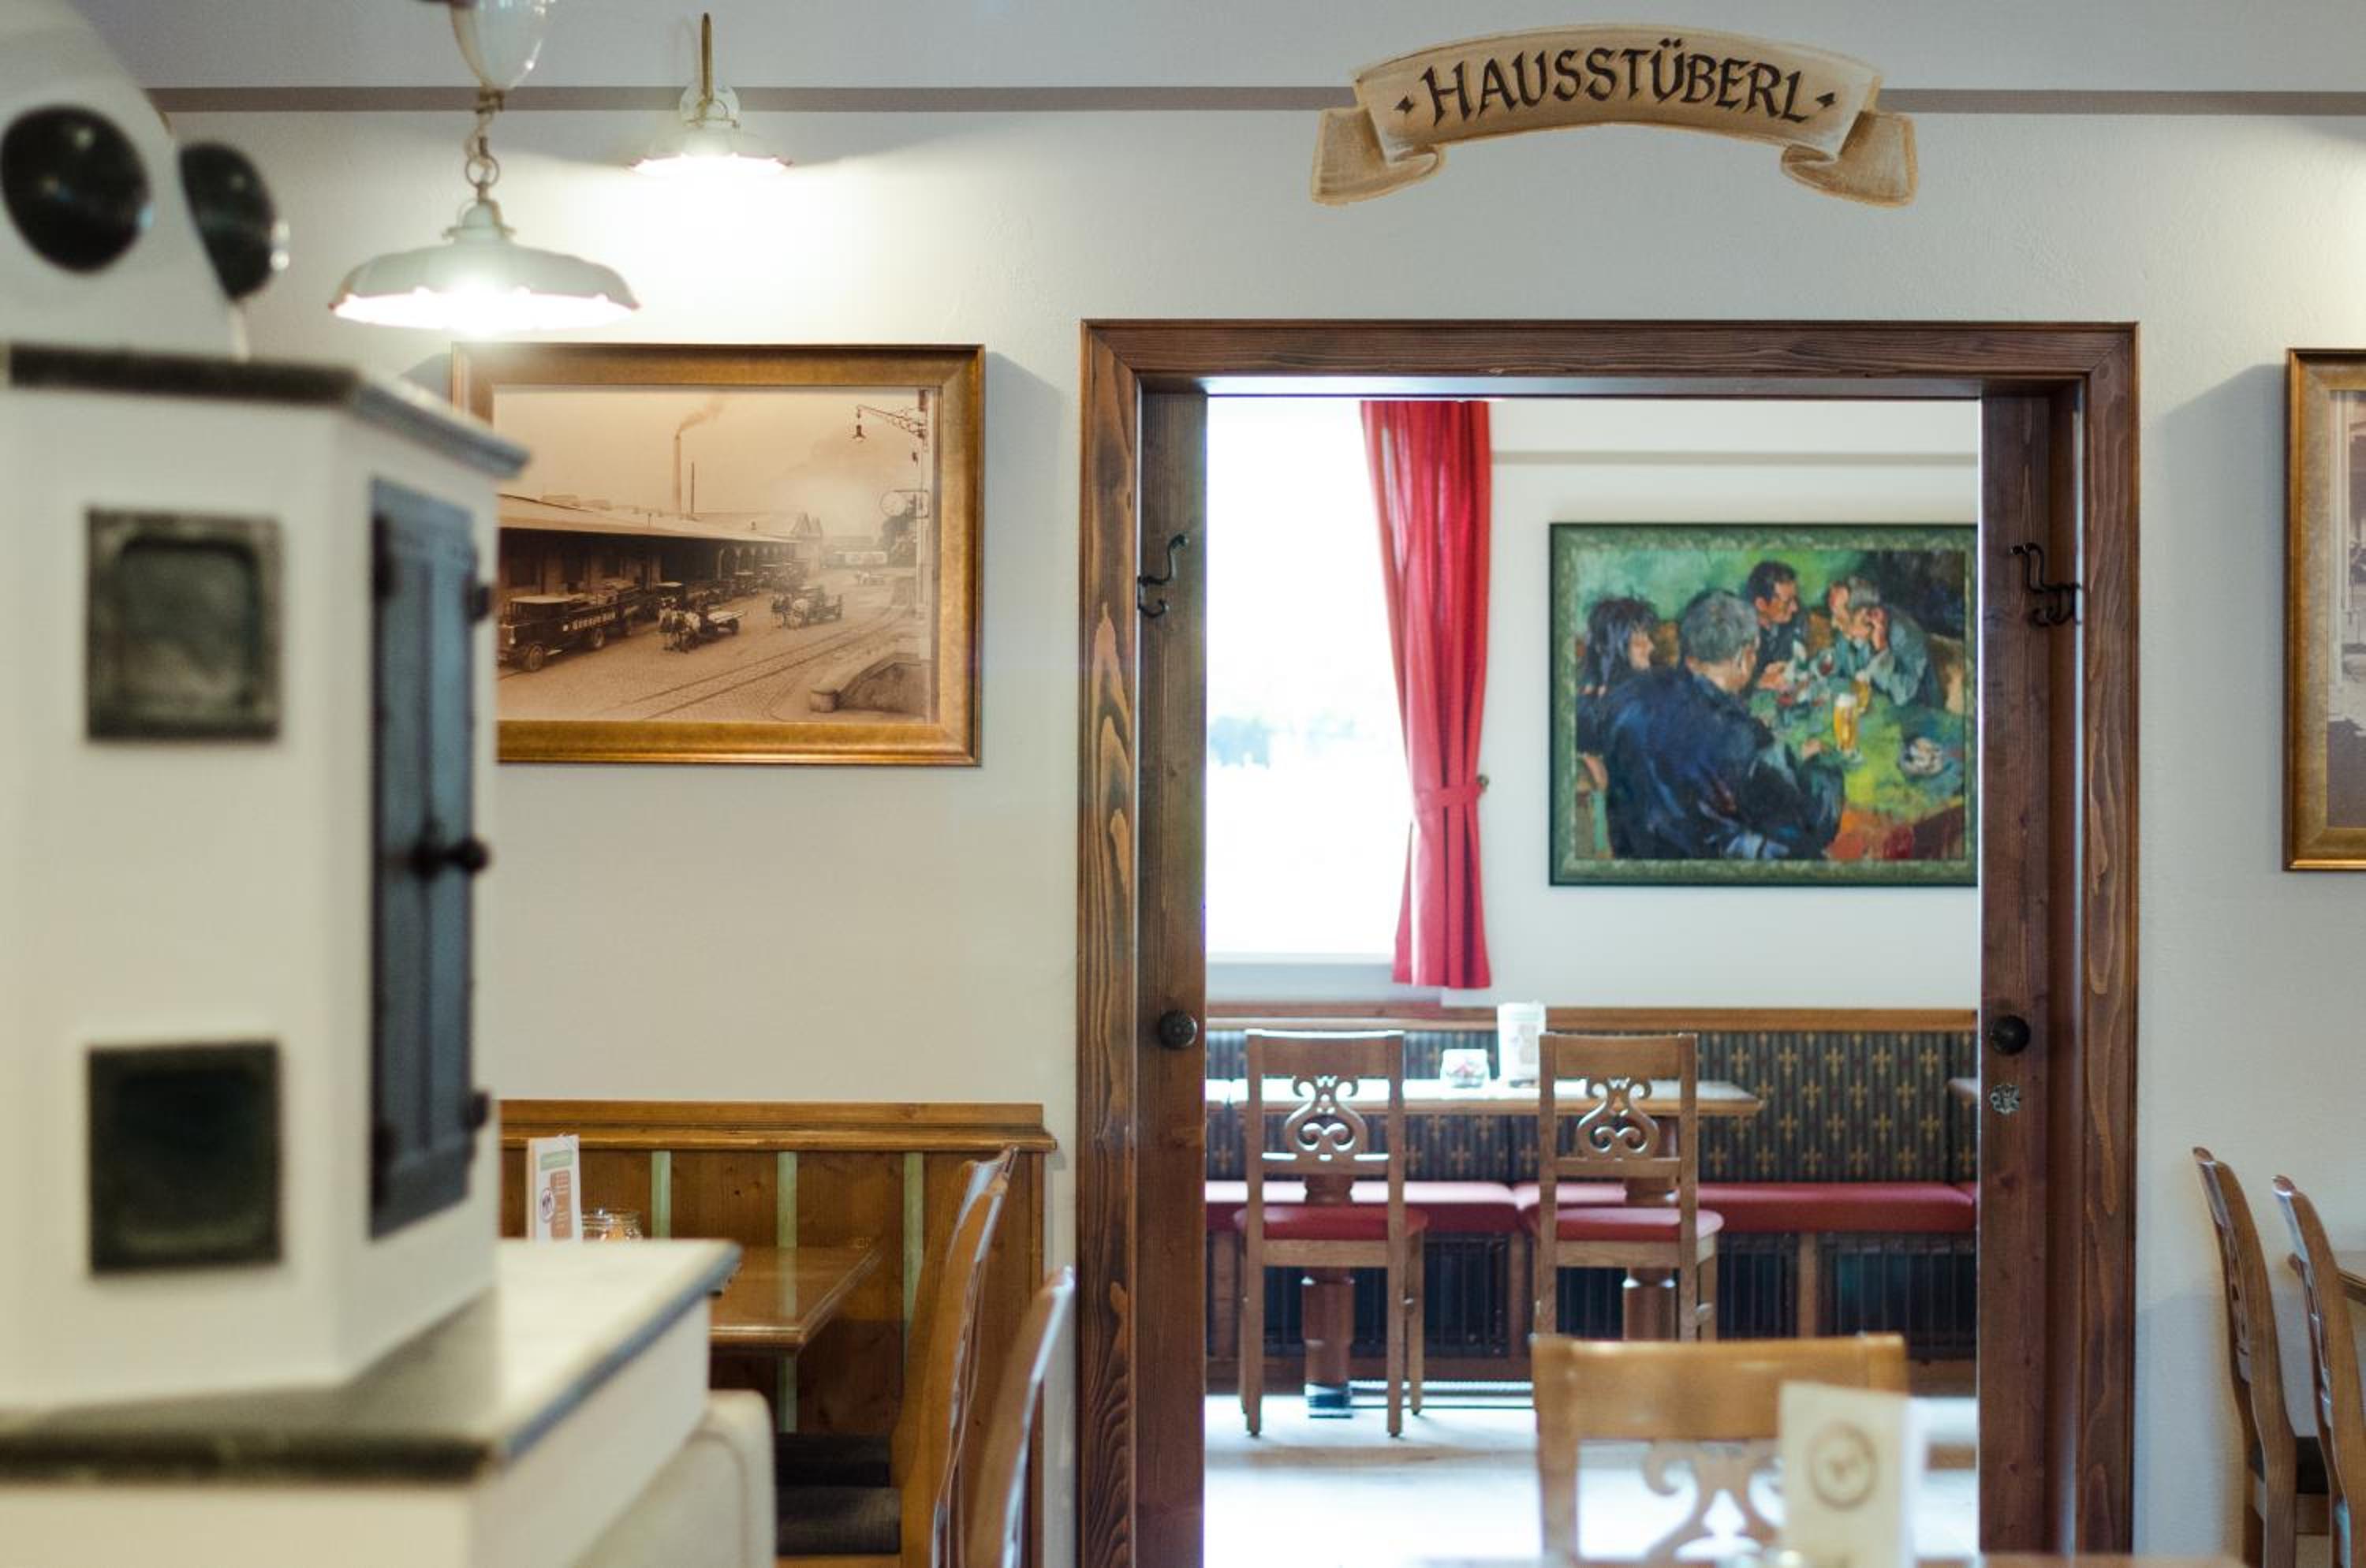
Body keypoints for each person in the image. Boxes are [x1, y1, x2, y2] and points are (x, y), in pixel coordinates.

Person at [1596, 589, 1845, 861]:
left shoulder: (1628, 697)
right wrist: (1820, 766)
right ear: (1744, 657)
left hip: (1636, 865)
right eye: (1754, 653)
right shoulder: (1742, 737)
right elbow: (1812, 827)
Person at [1742, 560, 1804, 688]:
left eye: (1794, 599)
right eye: (1787, 602)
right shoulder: (1741, 635)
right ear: (1761, 604)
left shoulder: (1787, 624)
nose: (1795, 608)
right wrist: (1758, 683)